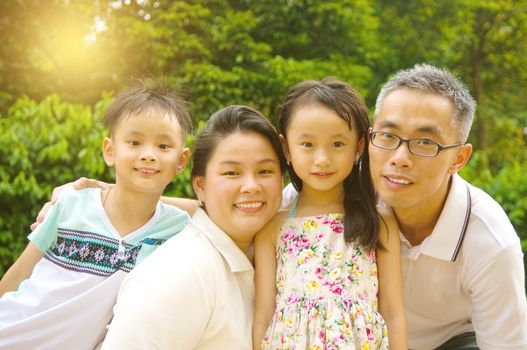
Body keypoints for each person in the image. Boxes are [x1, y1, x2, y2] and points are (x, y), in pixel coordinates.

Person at [283, 64, 527, 349]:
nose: (400, 158)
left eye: (425, 142)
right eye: (387, 136)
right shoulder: (332, 188)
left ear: (459, 158)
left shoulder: (490, 243)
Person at [0, 80, 193, 350]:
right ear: (110, 151)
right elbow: (17, 274)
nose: (148, 155)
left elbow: (212, 206)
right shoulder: (71, 203)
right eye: (134, 142)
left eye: (163, 146)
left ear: (181, 161)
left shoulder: (178, 229)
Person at [99, 105, 286, 349]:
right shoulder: (181, 272)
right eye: (232, 172)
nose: (251, 186)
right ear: (201, 186)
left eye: (265, 171)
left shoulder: (278, 254)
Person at [253, 78, 407, 349]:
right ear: (286, 147)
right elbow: (263, 316)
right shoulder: (273, 228)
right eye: (307, 145)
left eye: (337, 144)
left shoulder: (379, 222)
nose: (322, 159)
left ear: (359, 146)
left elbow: (394, 314)